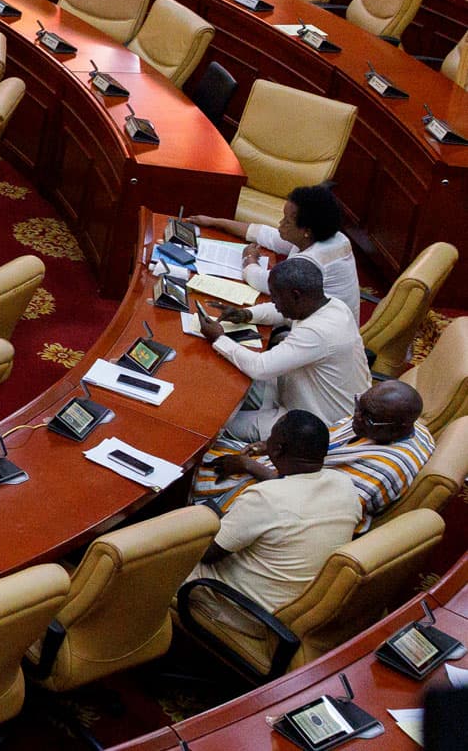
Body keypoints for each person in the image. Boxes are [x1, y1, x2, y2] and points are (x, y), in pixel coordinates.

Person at [182, 411, 360, 639]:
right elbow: (292, 495)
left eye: (271, 438)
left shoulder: (266, 498)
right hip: (291, 611)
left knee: (161, 547)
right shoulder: (344, 485)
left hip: (243, 611)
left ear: (277, 449)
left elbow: (206, 554)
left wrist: (206, 514)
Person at [197, 380, 433, 517]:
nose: (356, 418)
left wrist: (249, 465)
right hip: (285, 469)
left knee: (193, 480)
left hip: (286, 505)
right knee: (206, 444)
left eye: (367, 417)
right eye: (358, 407)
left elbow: (314, 506)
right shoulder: (382, 423)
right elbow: (319, 443)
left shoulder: (386, 468)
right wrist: (270, 447)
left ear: (399, 427)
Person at [199, 256, 368, 444]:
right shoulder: (332, 305)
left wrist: (219, 338)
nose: (274, 302)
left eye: (276, 296)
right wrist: (247, 314)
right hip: (291, 391)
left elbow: (260, 367)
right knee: (224, 383)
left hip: (313, 424)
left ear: (296, 295)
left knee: (214, 424)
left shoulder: (317, 333)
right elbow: (280, 312)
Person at [184, 185, 360, 314]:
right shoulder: (327, 235)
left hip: (317, 335)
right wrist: (215, 222)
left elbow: (263, 281)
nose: (280, 223)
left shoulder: (310, 264)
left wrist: (249, 259)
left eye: (287, 221)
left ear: (306, 230)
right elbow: (262, 233)